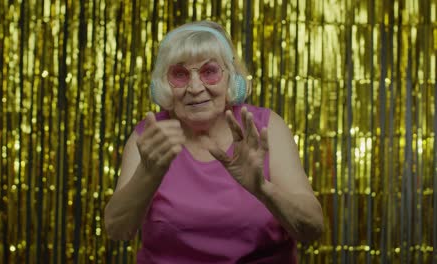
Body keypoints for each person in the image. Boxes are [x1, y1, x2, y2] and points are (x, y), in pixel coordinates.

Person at [104, 20, 324, 263]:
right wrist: (148, 175)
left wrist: (263, 189)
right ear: (164, 85)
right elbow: (117, 230)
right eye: (180, 74)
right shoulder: (151, 134)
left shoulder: (265, 127)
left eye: (209, 72)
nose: (195, 87)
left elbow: (312, 229)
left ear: (231, 78)